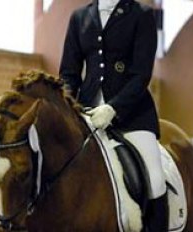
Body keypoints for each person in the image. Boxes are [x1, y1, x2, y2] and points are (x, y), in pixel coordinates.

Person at [59, 0, 168, 231]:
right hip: (87, 114)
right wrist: (68, 108)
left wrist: (113, 107)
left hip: (133, 115)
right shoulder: (79, 17)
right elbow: (69, 74)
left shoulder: (141, 14)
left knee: (155, 177)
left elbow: (141, 75)